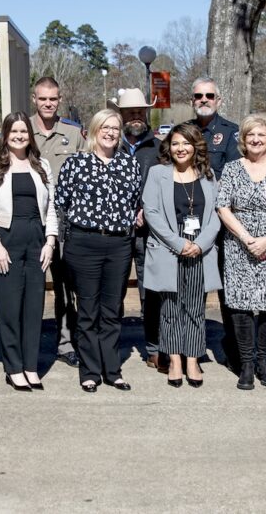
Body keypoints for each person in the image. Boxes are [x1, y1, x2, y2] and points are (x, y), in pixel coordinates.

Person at [55, 109, 142, 393]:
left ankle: (112, 370)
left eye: (115, 128)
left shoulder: (129, 164)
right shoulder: (76, 163)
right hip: (84, 244)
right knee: (88, 310)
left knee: (112, 309)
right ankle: (90, 370)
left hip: (118, 245)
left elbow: (134, 202)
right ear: (94, 130)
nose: (110, 132)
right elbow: (62, 201)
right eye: (104, 127)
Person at [0, 111, 58, 391]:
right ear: (5, 134)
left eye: (24, 132)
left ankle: (30, 366)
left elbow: (51, 208)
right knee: (10, 308)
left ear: (30, 135)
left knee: (34, 307)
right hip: (6, 240)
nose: (19, 136)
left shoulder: (42, 165)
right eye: (14, 132)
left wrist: (50, 241)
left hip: (37, 240)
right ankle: (13, 367)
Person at [217, 114, 266, 391]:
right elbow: (223, 207)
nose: (255, 139)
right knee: (239, 305)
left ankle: (264, 362)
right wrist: (247, 238)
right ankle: (246, 364)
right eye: (250, 135)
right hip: (239, 244)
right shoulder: (231, 169)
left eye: (261, 135)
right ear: (243, 139)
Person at [142, 123, 221, 388]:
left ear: (195, 146)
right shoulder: (158, 173)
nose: (181, 148)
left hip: (200, 245)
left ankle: (192, 358)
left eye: (186, 143)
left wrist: (200, 243)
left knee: (196, 307)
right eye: (175, 143)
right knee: (171, 307)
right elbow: (151, 212)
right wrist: (178, 243)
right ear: (169, 147)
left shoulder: (208, 176)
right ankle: (174, 358)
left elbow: (216, 215)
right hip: (169, 245)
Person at [29, 76, 85, 367]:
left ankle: (66, 343)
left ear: (59, 100)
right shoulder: (22, 129)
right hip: (30, 219)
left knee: (66, 285)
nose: (48, 103)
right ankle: (26, 344)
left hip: (65, 220)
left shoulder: (72, 134)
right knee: (30, 285)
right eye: (42, 98)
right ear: (34, 99)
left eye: (53, 99)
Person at [187, 77, 242, 370]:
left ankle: (234, 351)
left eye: (210, 95)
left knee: (227, 293)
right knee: (192, 289)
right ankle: (191, 349)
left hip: (222, 223)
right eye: (198, 95)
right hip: (191, 224)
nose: (204, 99)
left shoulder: (231, 133)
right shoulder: (183, 132)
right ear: (192, 100)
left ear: (219, 100)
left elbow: (233, 180)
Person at [114, 88, 164, 374]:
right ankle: (111, 348)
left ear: (146, 113)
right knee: (113, 292)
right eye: (129, 111)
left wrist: (148, 208)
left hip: (150, 233)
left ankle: (155, 348)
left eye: (139, 111)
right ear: (120, 115)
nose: (135, 116)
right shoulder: (109, 145)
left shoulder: (159, 148)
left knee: (151, 291)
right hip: (117, 233)